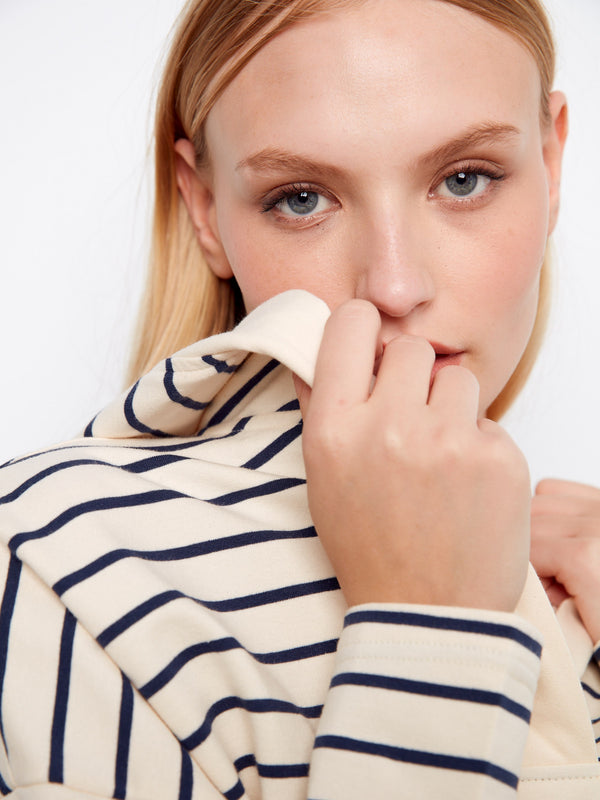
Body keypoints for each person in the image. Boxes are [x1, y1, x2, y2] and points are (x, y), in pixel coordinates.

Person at [0, 0, 599, 797]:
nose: (393, 286)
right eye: (302, 198)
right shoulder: (58, 563)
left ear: (552, 166)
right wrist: (430, 627)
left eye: (464, 180)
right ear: (206, 209)